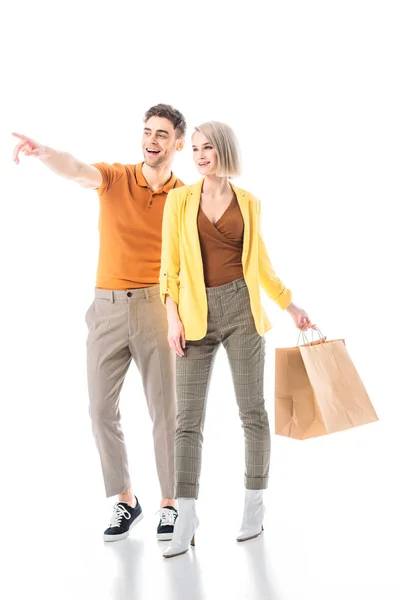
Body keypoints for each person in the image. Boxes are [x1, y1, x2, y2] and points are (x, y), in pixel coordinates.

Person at [12, 104, 186, 543]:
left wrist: (178, 315)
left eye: (162, 134)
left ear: (178, 143)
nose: (152, 140)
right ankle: (126, 499)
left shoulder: (184, 197)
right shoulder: (115, 178)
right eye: (148, 131)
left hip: (154, 307)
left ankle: (171, 504)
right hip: (105, 309)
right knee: (99, 410)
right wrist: (43, 151)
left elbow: (190, 263)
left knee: (164, 413)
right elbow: (76, 169)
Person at [159, 121, 315, 558]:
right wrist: (171, 316)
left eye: (208, 147)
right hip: (193, 316)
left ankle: (254, 504)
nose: (200, 155)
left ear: (224, 150)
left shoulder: (249, 203)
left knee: (252, 412)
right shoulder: (179, 200)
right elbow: (167, 266)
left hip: (243, 312)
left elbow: (261, 265)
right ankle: (186, 513)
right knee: (187, 421)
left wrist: (291, 305)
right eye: (194, 149)